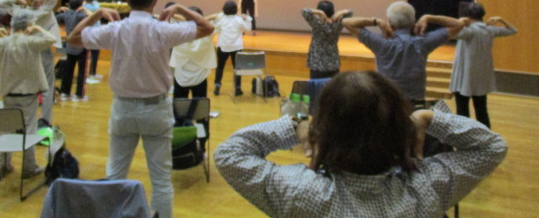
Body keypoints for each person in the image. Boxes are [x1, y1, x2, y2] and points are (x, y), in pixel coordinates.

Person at [215, 70, 507, 218]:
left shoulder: (299, 192)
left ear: (324, 131)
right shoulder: (427, 188)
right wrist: (429, 119)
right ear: (401, 129)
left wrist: (296, 124)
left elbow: (229, 153)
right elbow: (491, 147)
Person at [67, 0, 214, 218]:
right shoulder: (163, 29)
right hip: (156, 109)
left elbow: (72, 38)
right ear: (155, 1)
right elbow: (207, 27)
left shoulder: (115, 29)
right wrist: (179, 8)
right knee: (161, 180)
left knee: (115, 175)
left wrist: (96, 14)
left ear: (126, 0)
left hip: (123, 109)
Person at [0, 9, 56, 180]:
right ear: (29, 24)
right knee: (29, 130)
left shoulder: (4, 42)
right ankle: (29, 166)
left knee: (7, 128)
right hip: (28, 94)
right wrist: (38, 29)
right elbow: (52, 39)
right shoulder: (31, 42)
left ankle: (3, 165)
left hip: (8, 94)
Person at [343, 1, 464, 107]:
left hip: (385, 103)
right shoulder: (423, 43)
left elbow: (346, 22)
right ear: (414, 22)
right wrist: (429, 17)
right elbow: (459, 24)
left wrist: (376, 21)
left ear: (390, 23)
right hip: (415, 104)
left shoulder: (381, 43)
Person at [0, 0, 62, 126]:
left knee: (26, 84)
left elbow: (1, 1)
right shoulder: (44, 10)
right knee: (47, 86)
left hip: (25, 51)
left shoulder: (22, 13)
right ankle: (44, 120)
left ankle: (24, 120)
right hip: (39, 49)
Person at [450, 2, 518, 129]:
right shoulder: (490, 29)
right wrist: (500, 19)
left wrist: (459, 22)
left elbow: (450, 33)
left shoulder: (468, 31)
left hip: (465, 77)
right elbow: (513, 30)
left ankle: (464, 135)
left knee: (462, 109)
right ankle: (485, 134)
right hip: (481, 77)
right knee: (481, 110)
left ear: (467, 16)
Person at [170, 6, 216, 99]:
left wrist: (185, 19)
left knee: (179, 105)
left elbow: (170, 16)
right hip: (200, 77)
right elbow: (220, 16)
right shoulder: (208, 35)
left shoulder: (178, 33)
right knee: (199, 105)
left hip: (181, 77)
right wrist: (202, 19)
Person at [302, 0, 353, 79]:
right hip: (333, 63)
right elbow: (350, 13)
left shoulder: (317, 23)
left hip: (317, 64)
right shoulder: (337, 23)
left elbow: (304, 11)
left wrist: (319, 12)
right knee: (332, 86)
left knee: (316, 86)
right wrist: (341, 12)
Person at [211, 0, 252, 96]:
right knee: (237, 68)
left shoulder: (221, 19)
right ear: (235, 9)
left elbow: (215, 28)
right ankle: (237, 88)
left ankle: (217, 86)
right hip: (236, 47)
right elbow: (248, 29)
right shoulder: (238, 20)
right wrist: (248, 19)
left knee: (220, 67)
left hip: (223, 46)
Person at [56, 0, 91, 102]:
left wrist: (58, 10)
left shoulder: (65, 14)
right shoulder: (81, 15)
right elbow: (93, 18)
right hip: (81, 46)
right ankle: (79, 94)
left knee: (68, 70)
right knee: (82, 72)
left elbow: (54, 18)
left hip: (69, 46)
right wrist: (85, 9)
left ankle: (65, 92)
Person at [84, 0, 102, 83]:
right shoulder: (88, 6)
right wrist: (95, 2)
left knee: (96, 54)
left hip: (96, 32)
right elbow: (97, 9)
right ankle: (90, 74)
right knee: (93, 54)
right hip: (91, 33)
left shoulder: (88, 6)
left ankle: (93, 73)